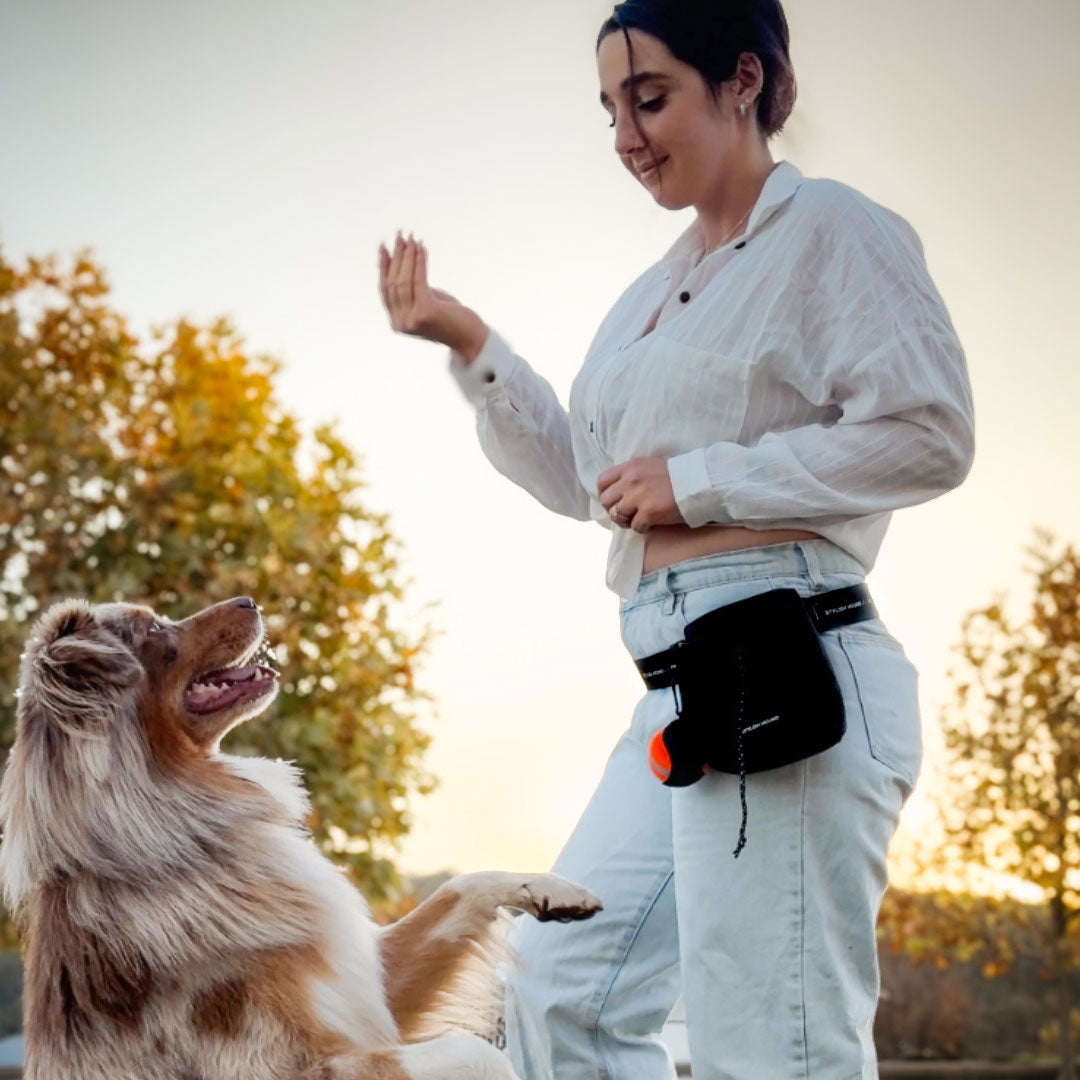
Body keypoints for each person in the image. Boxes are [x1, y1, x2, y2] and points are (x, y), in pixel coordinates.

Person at [377, 1, 974, 1077]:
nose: (626, 137)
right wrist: (468, 342)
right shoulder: (649, 299)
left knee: (772, 1045)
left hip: (794, 670)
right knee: (564, 992)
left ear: (742, 79)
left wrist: (700, 480)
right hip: (684, 691)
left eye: (649, 99)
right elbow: (583, 482)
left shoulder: (831, 232)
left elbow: (931, 433)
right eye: (609, 109)